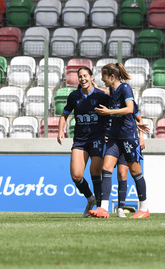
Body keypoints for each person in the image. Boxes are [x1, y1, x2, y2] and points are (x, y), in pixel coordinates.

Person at [89, 62, 150, 219]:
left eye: (104, 77)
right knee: (106, 169)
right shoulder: (112, 90)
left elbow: (130, 108)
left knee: (136, 173)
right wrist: (97, 88)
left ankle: (144, 208)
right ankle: (103, 208)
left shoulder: (125, 88)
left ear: (112, 76)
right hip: (114, 137)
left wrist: (109, 111)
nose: (103, 79)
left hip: (128, 137)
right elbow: (111, 97)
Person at [57, 66, 110, 217]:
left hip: (98, 138)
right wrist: (61, 130)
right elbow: (64, 114)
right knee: (76, 175)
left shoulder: (102, 96)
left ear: (92, 77)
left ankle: (100, 208)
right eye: (80, 76)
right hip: (80, 140)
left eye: (85, 75)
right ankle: (90, 198)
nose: (83, 79)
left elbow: (114, 111)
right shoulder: (74, 96)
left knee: (95, 172)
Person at [115, 105, 146, 218]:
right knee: (117, 173)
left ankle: (140, 207)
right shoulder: (111, 101)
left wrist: (141, 137)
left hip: (128, 141)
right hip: (115, 141)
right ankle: (113, 208)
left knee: (129, 173)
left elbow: (139, 120)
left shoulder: (130, 103)